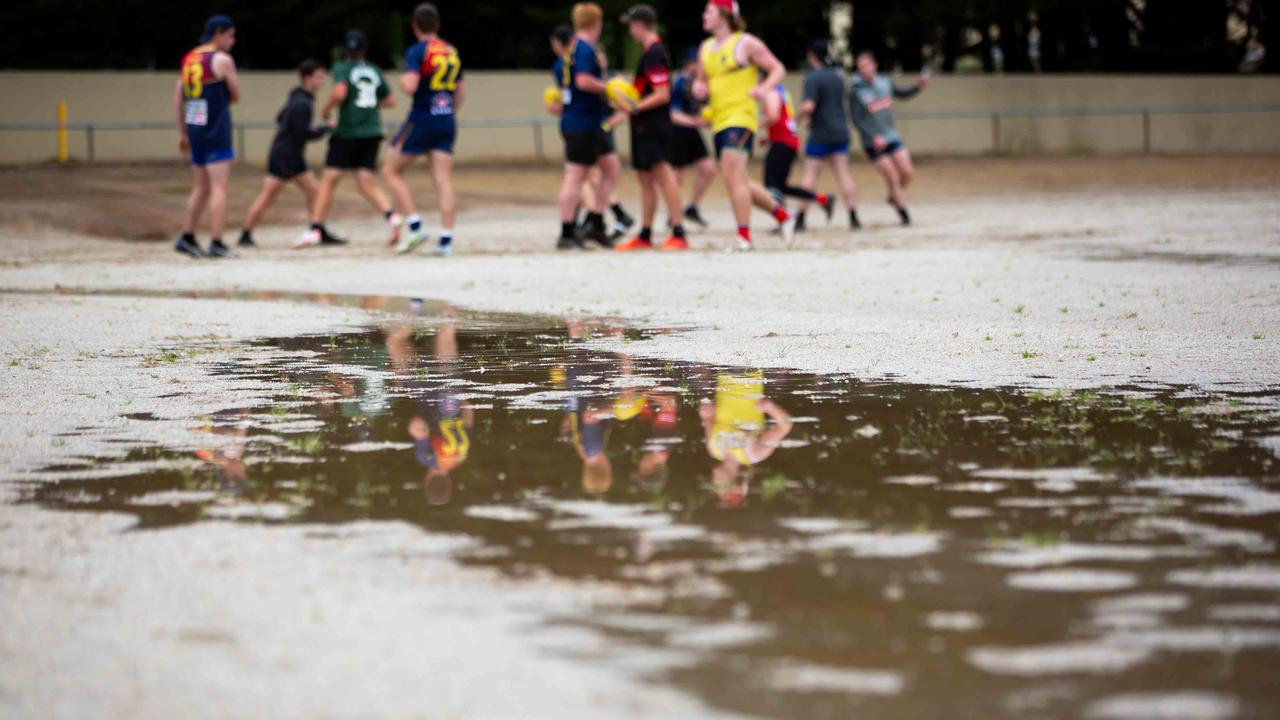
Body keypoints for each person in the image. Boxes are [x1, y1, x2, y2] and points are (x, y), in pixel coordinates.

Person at [695, 0, 795, 252]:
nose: (704, 15)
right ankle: (783, 215)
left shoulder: (745, 42)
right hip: (719, 120)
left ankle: (744, 237)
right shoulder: (705, 48)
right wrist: (699, 89)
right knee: (737, 179)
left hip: (741, 118)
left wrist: (763, 89)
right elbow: (700, 84)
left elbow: (778, 69)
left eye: (709, 11)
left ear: (724, 14)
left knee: (732, 175)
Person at [300, 30, 400, 249]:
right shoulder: (374, 69)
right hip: (372, 131)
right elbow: (390, 100)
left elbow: (340, 93)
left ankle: (315, 227)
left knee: (329, 179)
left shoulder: (342, 68)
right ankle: (392, 216)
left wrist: (326, 111)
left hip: (347, 131)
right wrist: (369, 105)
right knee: (365, 180)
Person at [383, 3, 464, 256]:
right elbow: (460, 93)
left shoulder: (417, 51)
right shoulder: (451, 52)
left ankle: (415, 225)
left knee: (390, 170)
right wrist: (447, 112)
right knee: (443, 180)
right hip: (446, 118)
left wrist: (403, 80)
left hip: (422, 117)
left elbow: (410, 86)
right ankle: (446, 241)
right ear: (437, 25)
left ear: (415, 26)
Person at [546, 24, 634, 240]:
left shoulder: (609, 78)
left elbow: (627, 108)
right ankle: (589, 222)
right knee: (585, 175)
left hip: (596, 128)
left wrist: (611, 121)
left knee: (601, 172)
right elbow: (573, 95)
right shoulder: (567, 67)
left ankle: (596, 220)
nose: (598, 59)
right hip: (584, 126)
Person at [612, 5, 688, 252]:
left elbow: (662, 94)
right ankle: (645, 234)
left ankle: (679, 231)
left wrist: (634, 107)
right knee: (645, 179)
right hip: (643, 127)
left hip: (653, 126)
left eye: (631, 25)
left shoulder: (655, 52)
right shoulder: (648, 53)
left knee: (664, 176)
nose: (629, 31)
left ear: (640, 24)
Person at [238, 60, 331, 250]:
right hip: (284, 156)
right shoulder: (302, 103)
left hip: (293, 156)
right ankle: (245, 234)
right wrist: (325, 128)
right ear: (307, 77)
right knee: (268, 196)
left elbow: (280, 118)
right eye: (319, 77)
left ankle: (318, 229)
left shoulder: (297, 97)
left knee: (315, 192)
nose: (322, 81)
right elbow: (302, 133)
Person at [555, 3, 623, 250]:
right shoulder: (583, 48)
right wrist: (610, 86)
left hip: (590, 121)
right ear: (596, 23)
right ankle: (567, 230)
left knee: (612, 168)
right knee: (575, 176)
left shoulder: (574, 47)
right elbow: (583, 81)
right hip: (581, 121)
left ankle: (595, 221)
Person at [174, 15, 240, 258]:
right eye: (230, 35)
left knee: (200, 187)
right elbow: (235, 95)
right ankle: (216, 241)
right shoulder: (222, 59)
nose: (233, 41)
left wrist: (182, 133)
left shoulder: (189, 59)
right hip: (216, 128)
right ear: (218, 34)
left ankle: (187, 236)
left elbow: (177, 99)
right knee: (219, 187)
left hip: (195, 128)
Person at [849, 50, 928, 226]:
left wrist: (918, 86)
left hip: (891, 136)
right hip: (873, 142)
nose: (863, 69)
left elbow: (901, 93)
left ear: (874, 65)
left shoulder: (884, 84)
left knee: (907, 173)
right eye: (860, 66)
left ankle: (893, 197)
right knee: (891, 176)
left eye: (866, 65)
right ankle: (903, 213)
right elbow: (856, 119)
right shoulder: (856, 91)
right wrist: (872, 136)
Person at [699, 371, 792, 508]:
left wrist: (705, 410)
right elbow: (785, 426)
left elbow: (708, 417)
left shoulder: (713, 450)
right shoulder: (754, 454)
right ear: (733, 481)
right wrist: (769, 408)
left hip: (722, 374)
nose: (715, 482)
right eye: (719, 485)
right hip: (748, 375)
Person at [759, 82, 837, 242]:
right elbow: (783, 120)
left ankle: (784, 219)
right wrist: (769, 137)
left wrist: (751, 126)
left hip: (783, 143)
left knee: (771, 185)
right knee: (780, 186)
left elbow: (773, 116)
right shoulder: (781, 92)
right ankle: (822, 199)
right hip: (787, 141)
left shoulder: (771, 92)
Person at [797, 39, 860, 231]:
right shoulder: (837, 76)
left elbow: (809, 106)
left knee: (810, 175)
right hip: (840, 130)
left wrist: (794, 119)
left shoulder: (812, 78)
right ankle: (853, 216)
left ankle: (800, 218)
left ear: (812, 56)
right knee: (843, 174)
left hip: (820, 133)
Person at [668, 48, 716, 229]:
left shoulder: (699, 84)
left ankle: (692, 207)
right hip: (677, 131)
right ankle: (673, 214)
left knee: (709, 168)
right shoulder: (680, 83)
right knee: (676, 176)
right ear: (691, 64)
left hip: (691, 130)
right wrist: (697, 122)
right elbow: (673, 114)